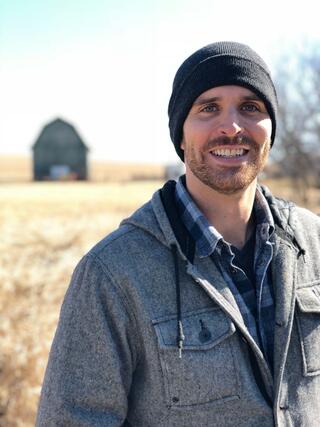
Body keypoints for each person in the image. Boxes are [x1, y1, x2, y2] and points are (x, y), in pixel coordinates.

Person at [36, 42, 320, 427]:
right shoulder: (112, 274)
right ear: (181, 134)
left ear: (271, 131)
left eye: (251, 107)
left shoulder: (313, 242)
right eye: (208, 108)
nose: (232, 127)